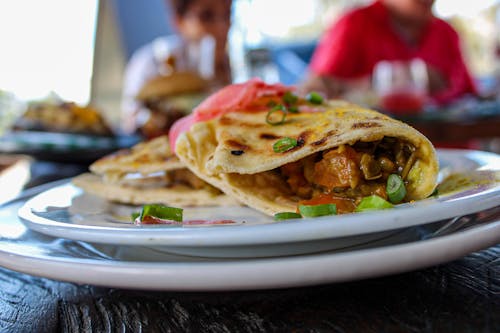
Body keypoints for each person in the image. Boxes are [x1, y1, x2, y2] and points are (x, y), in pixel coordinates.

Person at [300, 0, 477, 106]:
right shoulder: (354, 23)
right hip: (375, 147)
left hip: (454, 150)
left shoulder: (446, 32)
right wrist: (380, 83)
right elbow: (315, 88)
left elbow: (472, 94)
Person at [121, 0, 232, 133]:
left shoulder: (231, 65)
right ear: (179, 20)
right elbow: (130, 120)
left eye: (227, 15)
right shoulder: (151, 61)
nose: (222, 27)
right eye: (206, 16)